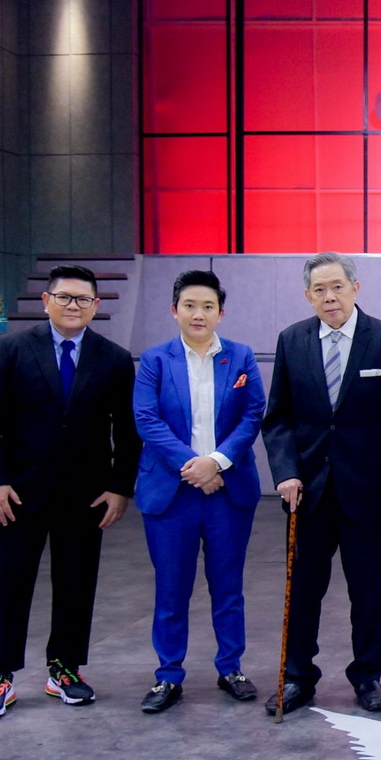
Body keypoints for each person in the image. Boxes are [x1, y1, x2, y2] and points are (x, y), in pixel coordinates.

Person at [0, 264, 141, 719]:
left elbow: (127, 430)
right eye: (64, 297)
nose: (73, 306)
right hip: (17, 493)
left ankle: (64, 668)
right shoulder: (11, 350)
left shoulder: (113, 358)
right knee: (8, 582)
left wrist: (119, 487)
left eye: (83, 299)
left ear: (96, 306)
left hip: (85, 495)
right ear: (46, 301)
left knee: (76, 583)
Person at [262, 252, 381, 716]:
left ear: (355, 288)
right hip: (306, 491)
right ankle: (297, 676)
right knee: (303, 588)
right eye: (319, 290)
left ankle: (367, 676)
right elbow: (278, 418)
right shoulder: (292, 340)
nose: (329, 297)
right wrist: (285, 472)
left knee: (366, 590)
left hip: (366, 490)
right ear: (308, 296)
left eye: (337, 287)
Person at [132, 270, 266, 713]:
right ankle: (168, 674)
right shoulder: (156, 360)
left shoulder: (240, 357)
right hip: (173, 491)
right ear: (174, 311)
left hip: (227, 489)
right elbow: (146, 419)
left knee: (228, 585)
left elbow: (253, 415)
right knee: (172, 587)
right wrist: (194, 466)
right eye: (189, 305)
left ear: (220, 313)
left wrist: (218, 461)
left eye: (208, 306)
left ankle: (231, 668)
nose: (198, 314)